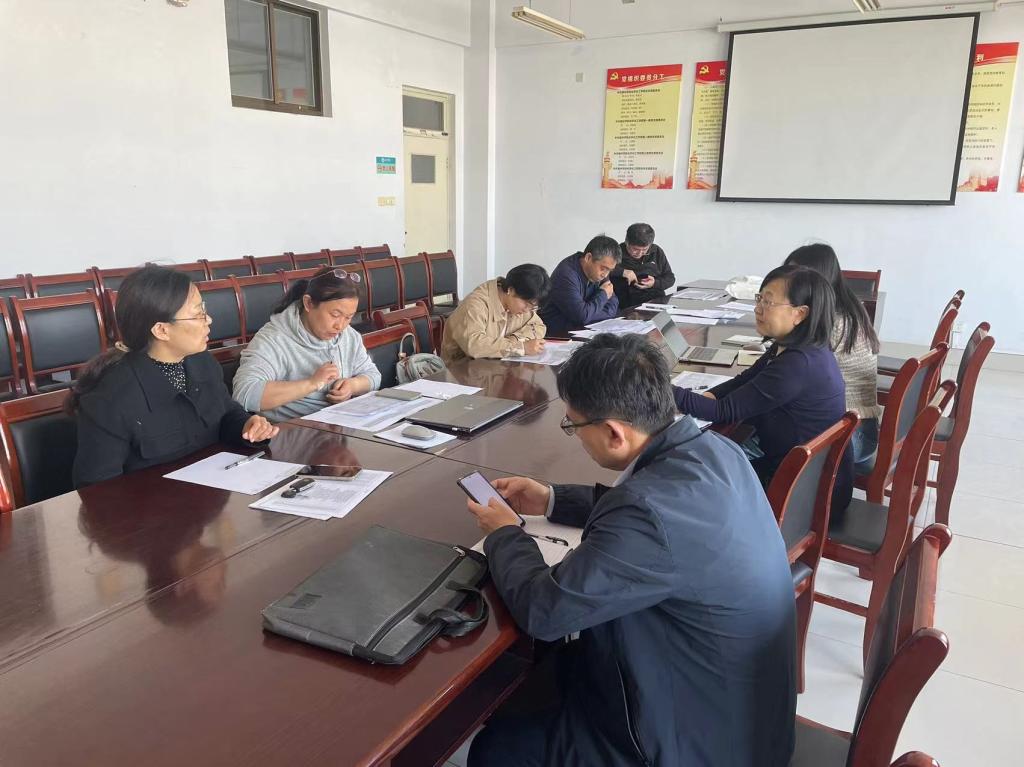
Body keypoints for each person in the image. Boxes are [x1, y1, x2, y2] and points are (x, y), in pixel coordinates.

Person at [466, 334, 796, 767]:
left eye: (573, 425)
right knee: (547, 676)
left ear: (613, 432)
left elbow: (544, 612)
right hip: (736, 709)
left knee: (497, 749)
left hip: (694, 743)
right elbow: (650, 511)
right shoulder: (717, 450)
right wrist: (551, 498)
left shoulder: (647, 515)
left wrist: (505, 533)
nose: (574, 436)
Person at [69, 266, 277, 488]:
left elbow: (225, 413)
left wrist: (246, 425)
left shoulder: (201, 361)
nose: (208, 319)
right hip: (156, 506)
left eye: (204, 309)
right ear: (161, 330)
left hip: (211, 496)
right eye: (197, 314)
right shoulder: (111, 398)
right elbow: (97, 489)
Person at [673, 264, 852, 510]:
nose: (758, 308)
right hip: (807, 478)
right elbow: (745, 379)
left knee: (690, 476)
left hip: (803, 498)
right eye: (759, 298)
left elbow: (723, 412)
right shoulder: (797, 347)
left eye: (768, 302)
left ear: (800, 314)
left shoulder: (797, 365)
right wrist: (710, 394)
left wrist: (660, 390)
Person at [233, 267, 381, 421]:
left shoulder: (349, 335)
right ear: (309, 303)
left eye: (348, 317)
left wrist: (352, 386)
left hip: (339, 423)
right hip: (293, 429)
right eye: (335, 315)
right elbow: (245, 394)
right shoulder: (274, 339)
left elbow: (373, 376)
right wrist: (311, 383)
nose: (340, 326)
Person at [785, 243, 881, 471]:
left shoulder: (832, 324)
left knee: (754, 438)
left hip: (850, 438)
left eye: (794, 277)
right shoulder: (848, 307)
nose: (787, 284)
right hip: (858, 428)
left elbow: (792, 378)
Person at [440, 264, 550, 364]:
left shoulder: (517, 304)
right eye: (527, 304)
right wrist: (521, 348)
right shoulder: (476, 305)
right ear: (511, 290)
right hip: (462, 371)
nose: (527, 310)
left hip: (494, 368)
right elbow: (474, 345)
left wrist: (514, 339)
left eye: (533, 307)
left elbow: (538, 326)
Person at [538, 235, 620, 336]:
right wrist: (603, 294)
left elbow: (613, 306)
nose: (605, 274)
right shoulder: (566, 275)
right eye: (603, 268)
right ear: (588, 258)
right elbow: (582, 316)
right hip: (558, 336)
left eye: (609, 270)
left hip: (584, 330)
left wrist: (590, 313)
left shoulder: (599, 271)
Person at [610, 222, 676, 309]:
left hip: (655, 301)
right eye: (635, 249)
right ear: (627, 241)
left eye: (644, 249)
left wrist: (654, 283)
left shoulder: (656, 251)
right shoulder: (615, 253)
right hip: (627, 304)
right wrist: (622, 272)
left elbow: (670, 278)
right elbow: (600, 272)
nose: (639, 253)